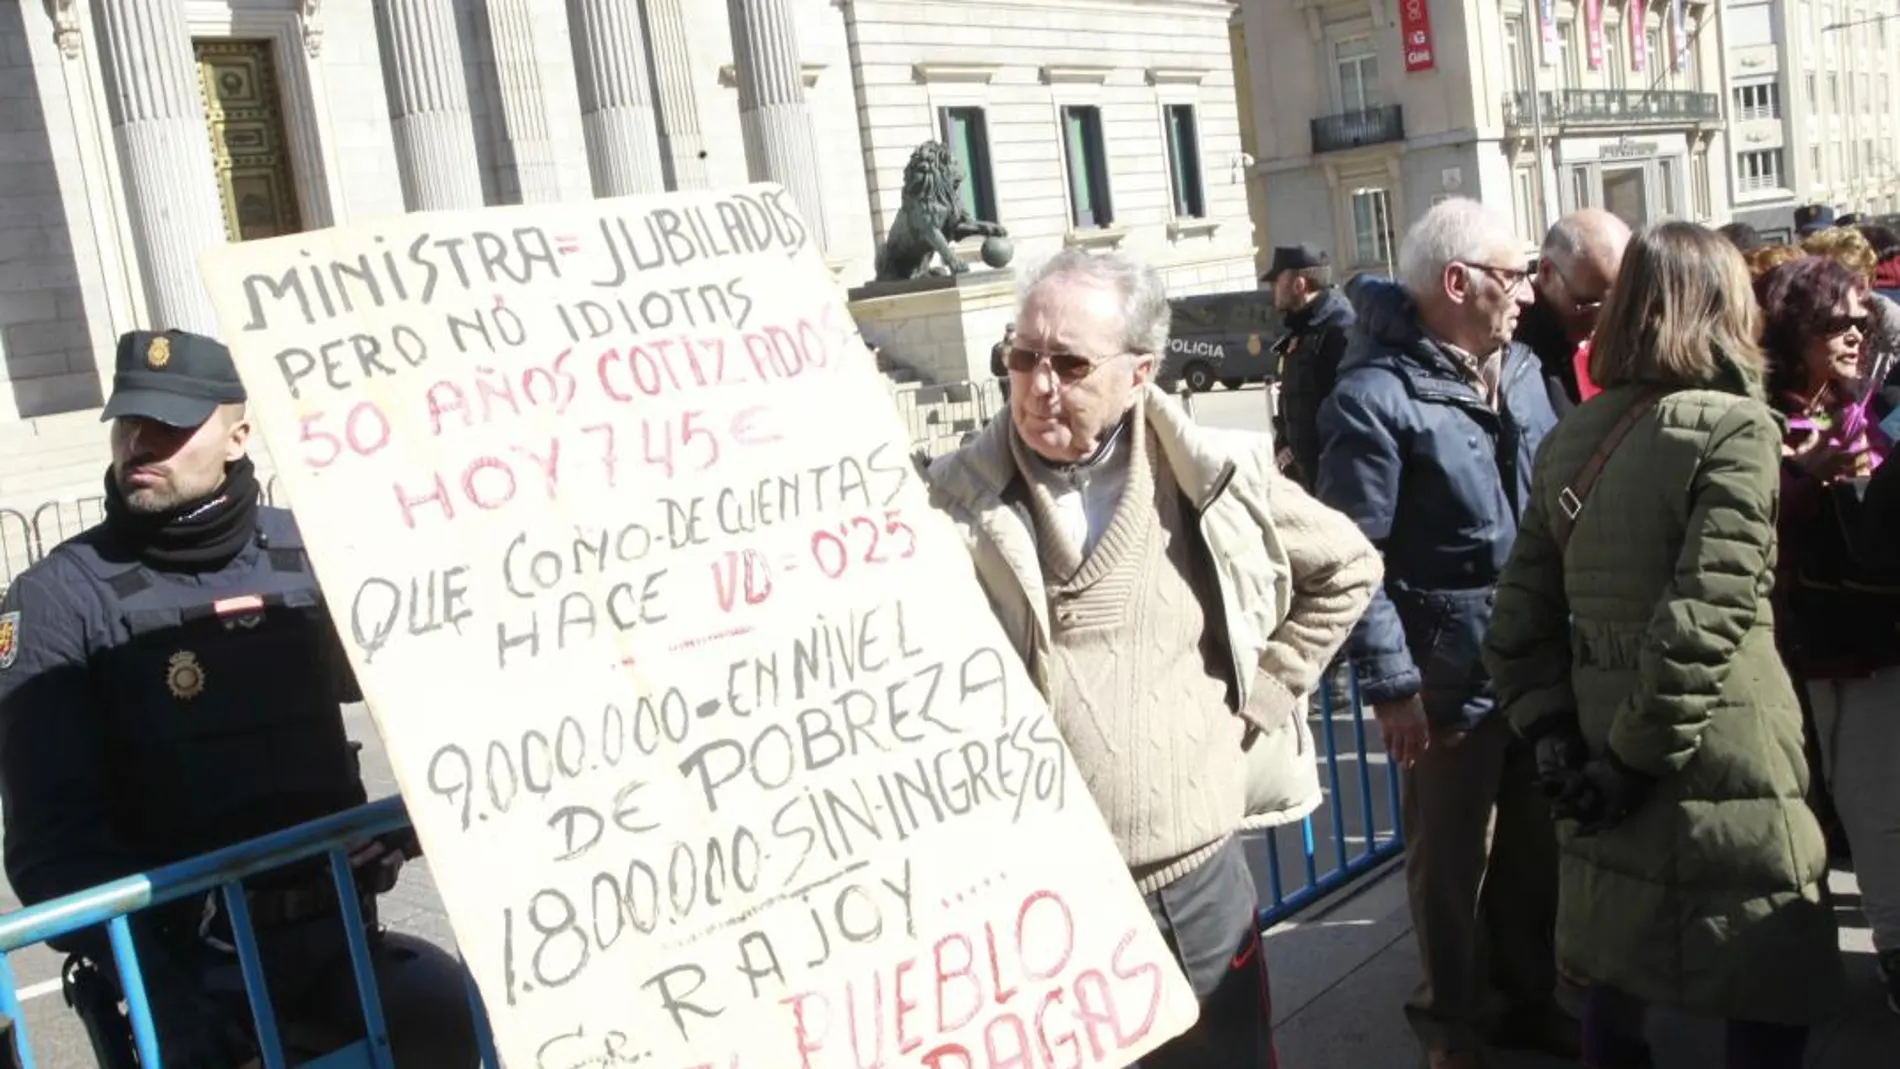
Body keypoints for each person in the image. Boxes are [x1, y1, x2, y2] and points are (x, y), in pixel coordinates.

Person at [926, 248, 1382, 1067]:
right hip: (1029, 901)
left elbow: (1348, 565)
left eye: (1069, 363)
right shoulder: (947, 499)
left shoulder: (1211, 473)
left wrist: (1268, 692)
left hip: (1192, 890)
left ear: (1140, 372)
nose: (1037, 385)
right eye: (1020, 356)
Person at [0, 330, 478, 1068]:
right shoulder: (58, 600)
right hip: (186, 971)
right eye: (130, 423)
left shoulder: (316, 552)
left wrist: (408, 825)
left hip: (341, 938)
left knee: (451, 1028)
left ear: (238, 435)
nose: (141, 445)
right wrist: (158, 990)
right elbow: (49, 846)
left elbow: (435, 703)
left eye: (170, 426)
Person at [1483, 221, 1844, 1069]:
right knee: (1763, 983)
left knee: (1620, 980)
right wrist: (1631, 762)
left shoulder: (1573, 434)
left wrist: (1561, 745)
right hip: (1724, 756)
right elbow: (1708, 616)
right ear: (1722, 308)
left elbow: (1515, 627)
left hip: (1603, 761)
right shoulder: (1735, 428)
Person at [1314, 197, 1570, 1069]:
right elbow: (1353, 558)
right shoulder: (1373, 400)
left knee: (1534, 859)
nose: (1530, 293)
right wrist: (1392, 686)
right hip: (1447, 682)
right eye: (1515, 274)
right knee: (1449, 875)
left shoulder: (1526, 372)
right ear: (1457, 283)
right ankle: (1452, 1033)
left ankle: (1524, 1002)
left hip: (1537, 667)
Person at [1516, 210, 1632, 416]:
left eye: (1615, 304)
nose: (1599, 320)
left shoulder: (1628, 335)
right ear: (1546, 272)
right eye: (1586, 304)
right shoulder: (1514, 344)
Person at [1265, 243, 1355, 491]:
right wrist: (1284, 442)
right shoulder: (1303, 329)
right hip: (1306, 479)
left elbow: (1346, 413)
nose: (1272, 287)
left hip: (1335, 482)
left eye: (1277, 280)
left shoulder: (1339, 330)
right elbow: (1295, 398)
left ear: (1299, 285)